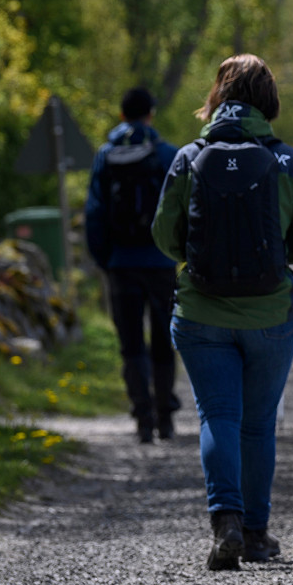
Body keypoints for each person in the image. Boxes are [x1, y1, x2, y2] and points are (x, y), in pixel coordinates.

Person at [154, 55, 293, 571]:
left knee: (217, 416)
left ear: (217, 97)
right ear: (267, 100)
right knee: (257, 425)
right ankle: (255, 533)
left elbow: (166, 237)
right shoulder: (287, 161)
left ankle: (224, 521)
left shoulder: (188, 158)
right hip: (271, 313)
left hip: (201, 312)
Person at [84, 86, 182, 444]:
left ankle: (142, 419)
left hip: (120, 264)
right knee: (162, 340)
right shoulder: (167, 154)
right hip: (160, 263)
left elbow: (94, 213)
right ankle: (165, 417)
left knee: (131, 345)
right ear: (151, 115)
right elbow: (182, 209)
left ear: (122, 116)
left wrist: (104, 259)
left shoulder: (105, 156)